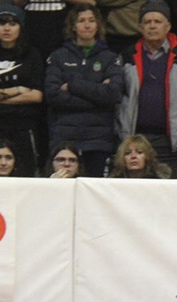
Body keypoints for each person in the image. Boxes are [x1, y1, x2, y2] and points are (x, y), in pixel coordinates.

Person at [118, 0, 177, 180]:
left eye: (157, 22)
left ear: (168, 26)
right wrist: (123, 133)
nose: (152, 26)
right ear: (140, 27)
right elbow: (119, 96)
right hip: (136, 141)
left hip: (173, 142)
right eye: (148, 22)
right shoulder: (127, 56)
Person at [45, 5, 124, 179]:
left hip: (98, 140)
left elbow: (112, 95)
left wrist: (72, 86)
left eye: (91, 20)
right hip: (64, 138)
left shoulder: (110, 58)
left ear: (98, 25)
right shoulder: (59, 57)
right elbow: (53, 95)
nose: (86, 25)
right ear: (73, 26)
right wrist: (97, 93)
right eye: (81, 21)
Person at [0, 4, 45, 178]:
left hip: (23, 125)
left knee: (26, 173)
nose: (7, 28)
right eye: (2, 23)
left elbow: (36, 96)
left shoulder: (31, 55)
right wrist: (18, 89)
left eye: (13, 24)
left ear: (21, 27)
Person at [108, 134, 172, 178]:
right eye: (127, 153)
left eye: (139, 152)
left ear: (147, 156)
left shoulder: (160, 181)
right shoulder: (112, 183)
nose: (133, 156)